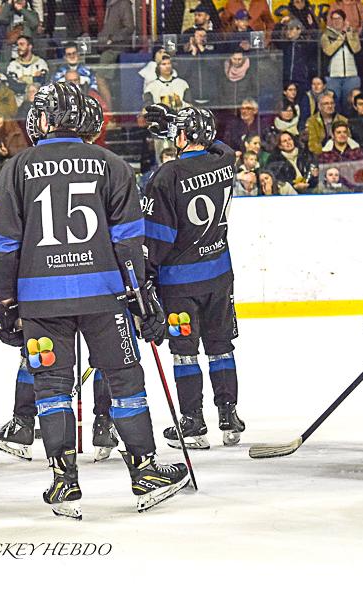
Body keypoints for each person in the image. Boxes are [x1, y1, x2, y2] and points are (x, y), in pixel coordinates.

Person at [0, 82, 189, 519]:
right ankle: (144, 471)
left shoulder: (17, 167)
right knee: (124, 379)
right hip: (104, 297)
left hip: (40, 301)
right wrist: (141, 297)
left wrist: (5, 303)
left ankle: (64, 480)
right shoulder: (112, 164)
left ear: (46, 119)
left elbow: (3, 246)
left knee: (51, 387)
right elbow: (129, 242)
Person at [141, 103, 245, 449]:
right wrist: (184, 125)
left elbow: (158, 237)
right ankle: (228, 415)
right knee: (220, 345)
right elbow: (220, 146)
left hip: (179, 284)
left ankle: (193, 422)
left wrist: (145, 277)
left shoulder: (166, 175)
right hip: (219, 276)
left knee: (184, 351)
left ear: (183, 135)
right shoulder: (224, 162)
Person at [321, 10, 361, 112]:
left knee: (350, 104)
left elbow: (356, 49)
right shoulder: (326, 35)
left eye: (339, 18)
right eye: (334, 19)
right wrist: (341, 37)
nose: (336, 21)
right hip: (333, 76)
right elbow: (329, 51)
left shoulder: (352, 33)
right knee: (333, 104)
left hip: (351, 75)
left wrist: (348, 34)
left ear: (344, 20)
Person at [7, 35, 48, 105]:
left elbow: (42, 82)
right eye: (17, 45)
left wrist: (23, 79)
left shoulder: (41, 63)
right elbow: (13, 85)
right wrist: (33, 79)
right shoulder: (12, 65)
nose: (19, 47)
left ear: (30, 46)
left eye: (22, 44)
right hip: (18, 103)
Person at [306, 92, 347, 156]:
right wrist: (326, 154)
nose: (330, 106)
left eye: (332, 103)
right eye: (326, 104)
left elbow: (347, 139)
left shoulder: (343, 120)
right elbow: (313, 145)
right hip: (320, 155)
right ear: (319, 106)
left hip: (341, 154)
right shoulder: (312, 121)